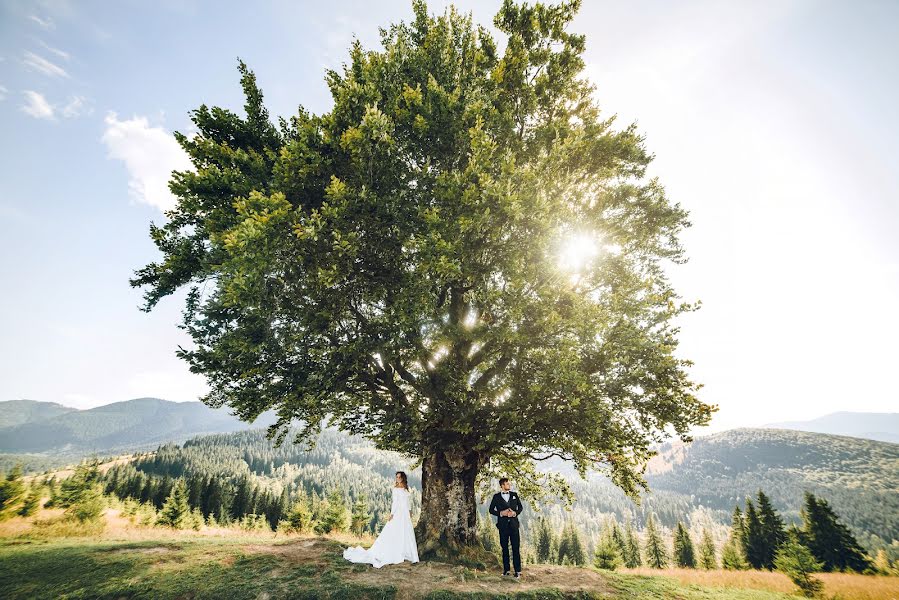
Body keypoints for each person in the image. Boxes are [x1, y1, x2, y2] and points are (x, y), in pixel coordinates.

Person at [343, 471, 419, 568]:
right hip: (398, 513)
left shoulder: (405, 489)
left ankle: (409, 554)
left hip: (405, 514)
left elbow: (407, 501)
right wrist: (392, 514)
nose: (398, 479)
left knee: (406, 532)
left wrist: (409, 511)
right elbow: (395, 503)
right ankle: (394, 552)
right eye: (397, 477)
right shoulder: (395, 489)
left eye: (400, 477)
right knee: (395, 531)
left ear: (403, 478)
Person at [488, 477, 524, 578]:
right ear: (502, 485)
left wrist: (515, 513)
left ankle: (518, 571)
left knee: (515, 548)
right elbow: (491, 510)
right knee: (504, 549)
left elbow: (520, 507)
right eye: (507, 484)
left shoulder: (514, 495)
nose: (509, 485)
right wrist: (501, 513)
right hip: (503, 526)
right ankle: (506, 570)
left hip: (514, 526)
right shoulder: (496, 497)